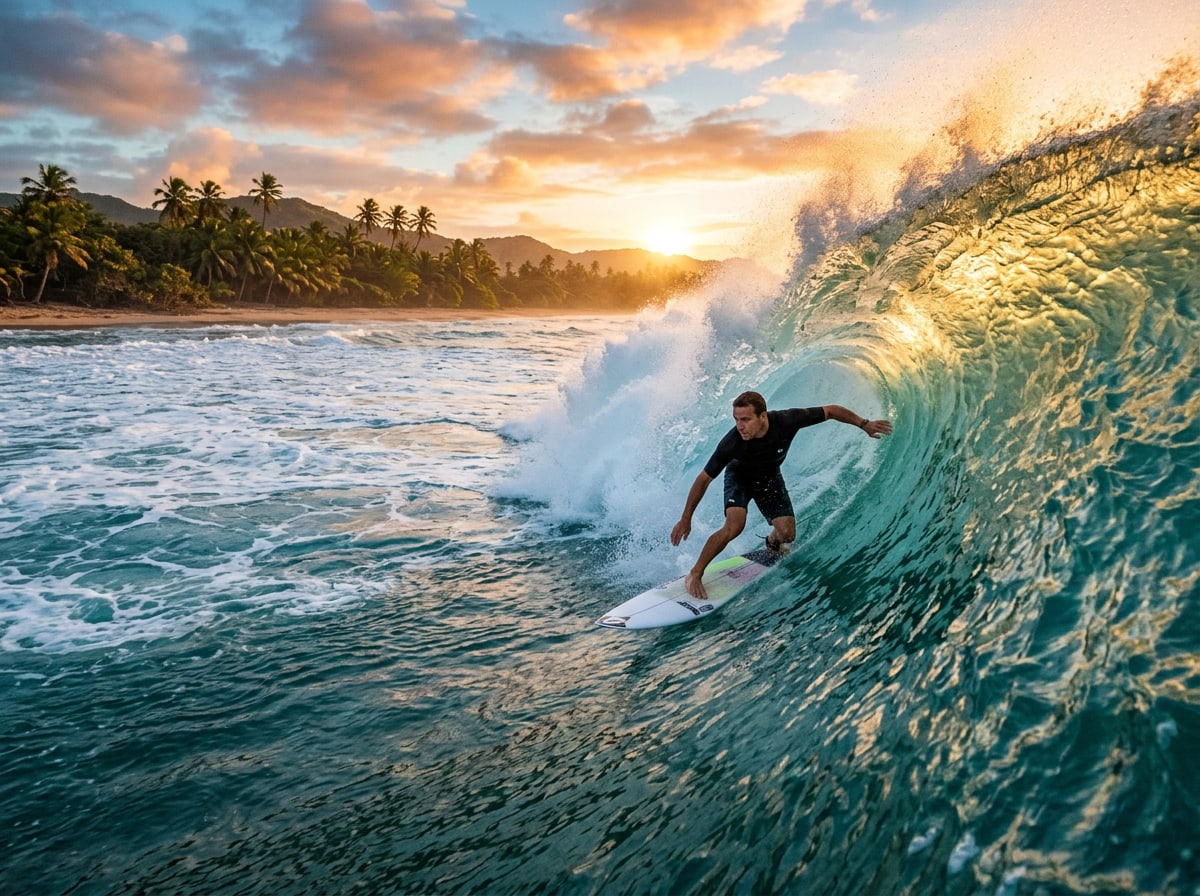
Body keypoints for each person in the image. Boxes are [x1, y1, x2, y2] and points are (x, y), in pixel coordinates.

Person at [669, 390, 892, 600]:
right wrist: (686, 518)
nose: (740, 426)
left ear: (762, 416)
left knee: (787, 533)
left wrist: (864, 424)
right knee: (735, 525)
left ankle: (771, 544)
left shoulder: (786, 421)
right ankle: (695, 573)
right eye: (736, 419)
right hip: (740, 477)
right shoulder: (732, 443)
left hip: (768, 477)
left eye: (745, 419)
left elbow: (830, 411)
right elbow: (703, 479)